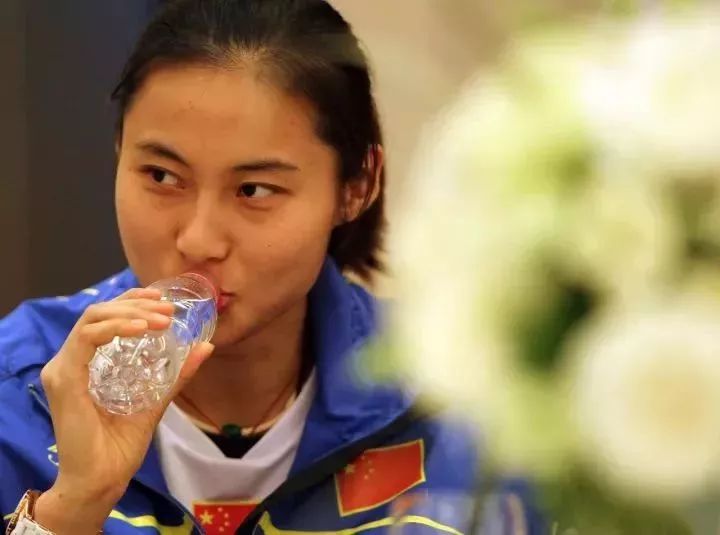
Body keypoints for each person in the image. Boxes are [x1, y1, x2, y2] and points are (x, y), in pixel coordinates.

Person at [0, 1, 541, 533]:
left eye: (254, 190)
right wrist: (74, 506)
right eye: (162, 176)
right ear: (120, 151)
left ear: (357, 186)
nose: (199, 239)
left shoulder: (465, 401)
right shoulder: (16, 388)